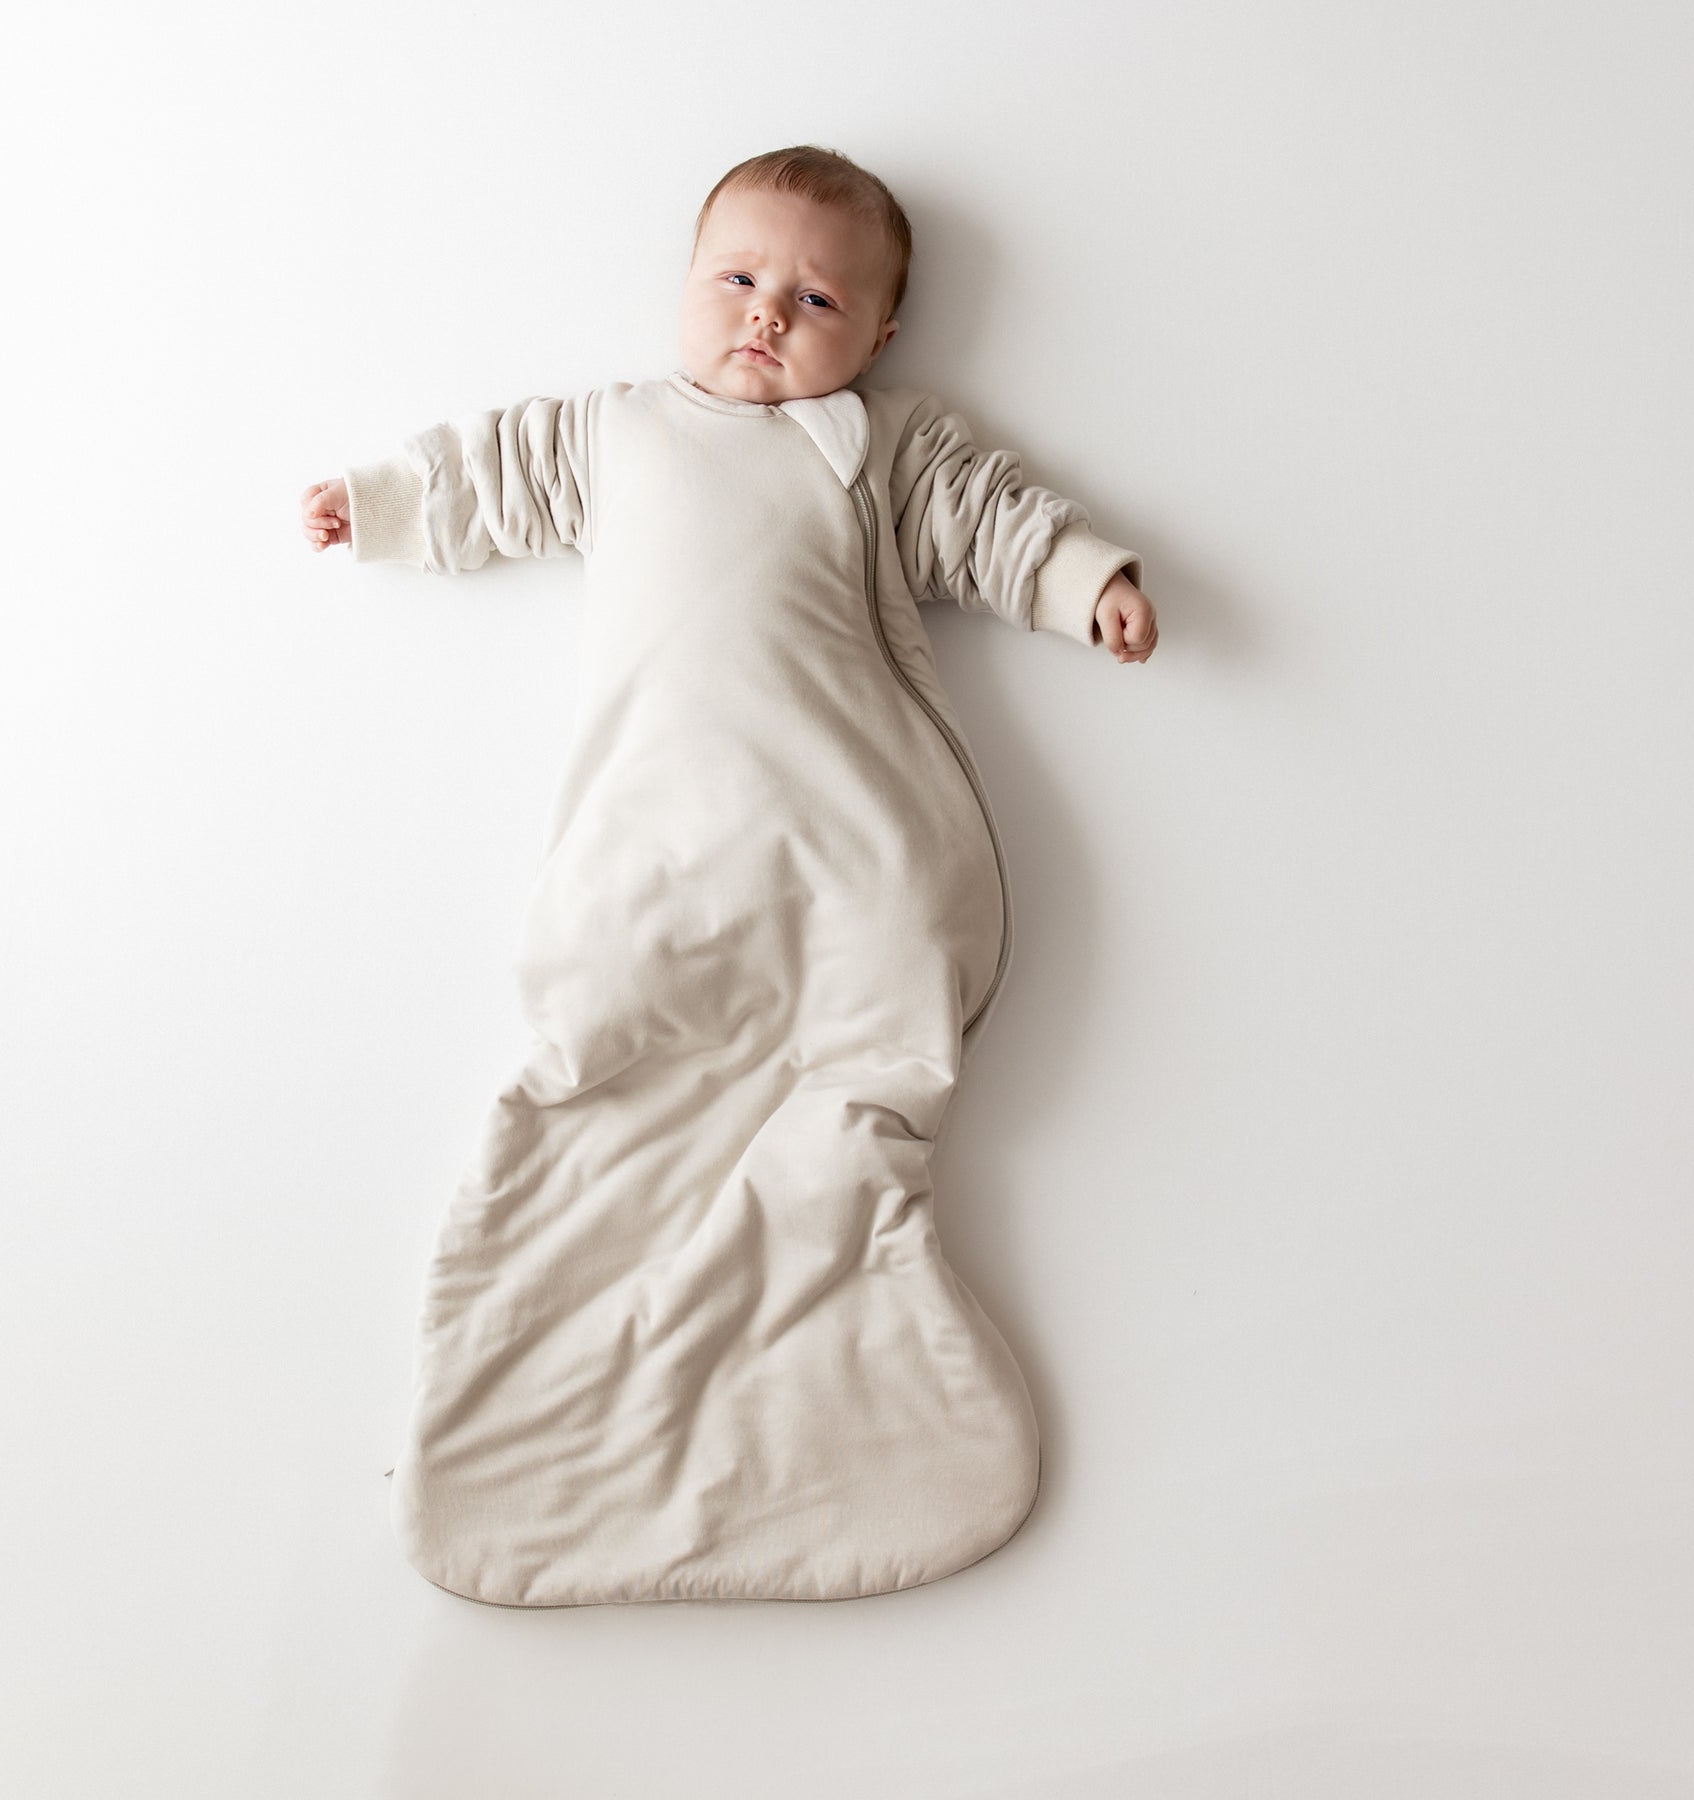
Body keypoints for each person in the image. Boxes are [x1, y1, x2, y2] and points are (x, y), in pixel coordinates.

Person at [296, 145, 1159, 1609]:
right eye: (740, 281)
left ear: (878, 336)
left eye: (817, 297)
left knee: (854, 1043)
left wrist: (1089, 585)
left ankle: (845, 1332)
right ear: (686, 289)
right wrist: (381, 505)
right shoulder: (617, 430)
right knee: (608, 1034)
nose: (769, 315)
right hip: (657, 845)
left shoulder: (878, 444)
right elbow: (490, 477)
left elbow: (992, 518)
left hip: (848, 831)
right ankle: (569, 1409)